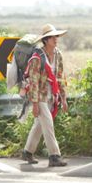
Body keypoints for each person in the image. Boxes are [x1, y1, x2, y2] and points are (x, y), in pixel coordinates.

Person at [21, 24, 68, 167]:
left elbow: (60, 77)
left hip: (51, 95)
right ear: (46, 40)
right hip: (39, 96)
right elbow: (34, 82)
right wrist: (35, 105)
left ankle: (27, 152)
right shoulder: (37, 58)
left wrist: (64, 98)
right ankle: (54, 156)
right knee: (48, 123)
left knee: (39, 126)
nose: (56, 39)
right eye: (53, 37)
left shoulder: (58, 55)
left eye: (57, 36)